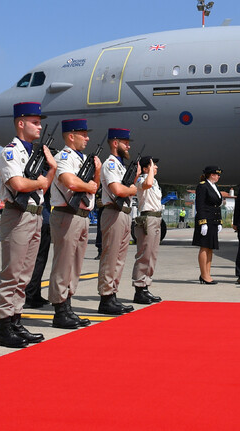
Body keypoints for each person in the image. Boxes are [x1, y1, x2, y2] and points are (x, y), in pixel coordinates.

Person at [0, 101, 57, 348]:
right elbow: (18, 184)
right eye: (35, 122)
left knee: (25, 274)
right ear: (21, 124)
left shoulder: (33, 154)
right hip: (17, 215)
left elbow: (43, 187)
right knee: (11, 273)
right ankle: (4, 326)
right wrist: (40, 181)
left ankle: (16, 321)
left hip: (35, 214)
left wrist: (50, 169)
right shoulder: (10, 152)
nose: (40, 126)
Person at [48, 118, 100, 328]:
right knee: (63, 264)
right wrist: (88, 184)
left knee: (75, 264)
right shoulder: (63, 157)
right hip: (66, 214)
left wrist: (95, 174)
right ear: (71, 136)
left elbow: (94, 187)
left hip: (82, 215)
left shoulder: (83, 159)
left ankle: (67, 305)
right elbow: (69, 181)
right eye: (83, 134)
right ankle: (60, 310)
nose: (87, 138)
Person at [96, 128, 137, 315]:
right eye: (125, 142)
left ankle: (112, 294)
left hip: (124, 213)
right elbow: (117, 190)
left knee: (119, 258)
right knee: (110, 257)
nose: (128, 146)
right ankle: (105, 297)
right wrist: (133, 189)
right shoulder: (111, 164)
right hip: (114, 212)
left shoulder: (121, 165)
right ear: (115, 143)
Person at [132, 156, 162, 304]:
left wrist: (150, 169)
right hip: (147, 219)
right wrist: (146, 170)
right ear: (145, 169)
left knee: (152, 255)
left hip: (156, 218)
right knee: (144, 254)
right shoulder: (141, 180)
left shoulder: (155, 181)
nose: (156, 168)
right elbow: (147, 184)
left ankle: (145, 286)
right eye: (153, 165)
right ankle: (139, 288)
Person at [194, 166, 224, 284]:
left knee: (210, 248)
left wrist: (219, 221)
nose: (218, 176)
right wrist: (203, 222)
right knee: (204, 247)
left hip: (213, 221)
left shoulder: (214, 186)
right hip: (206, 221)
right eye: (217, 174)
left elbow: (217, 206)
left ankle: (207, 273)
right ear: (211, 175)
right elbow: (200, 205)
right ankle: (204, 275)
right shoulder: (202, 186)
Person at [23, 195, 52, 308]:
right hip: (41, 215)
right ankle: (30, 294)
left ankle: (34, 293)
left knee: (38, 259)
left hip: (42, 215)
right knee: (37, 259)